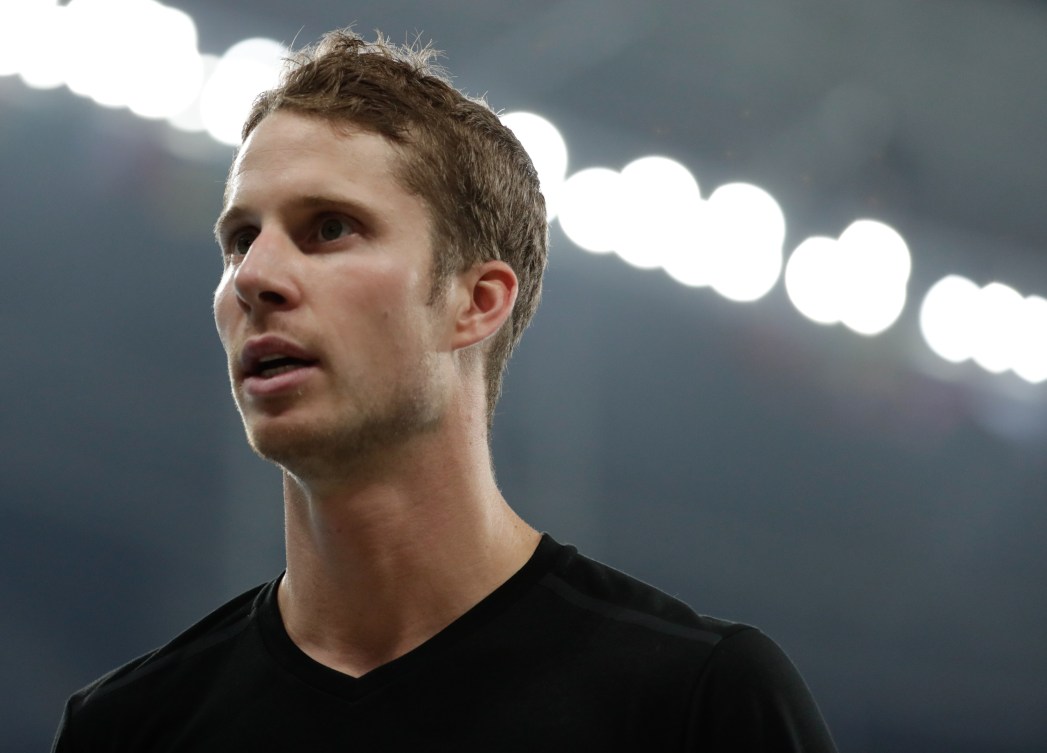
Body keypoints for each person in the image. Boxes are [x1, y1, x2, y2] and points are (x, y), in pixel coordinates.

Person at [52, 28, 837, 752]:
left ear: (476, 301)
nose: (253, 277)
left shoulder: (696, 700)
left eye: (329, 227)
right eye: (240, 238)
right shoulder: (126, 730)